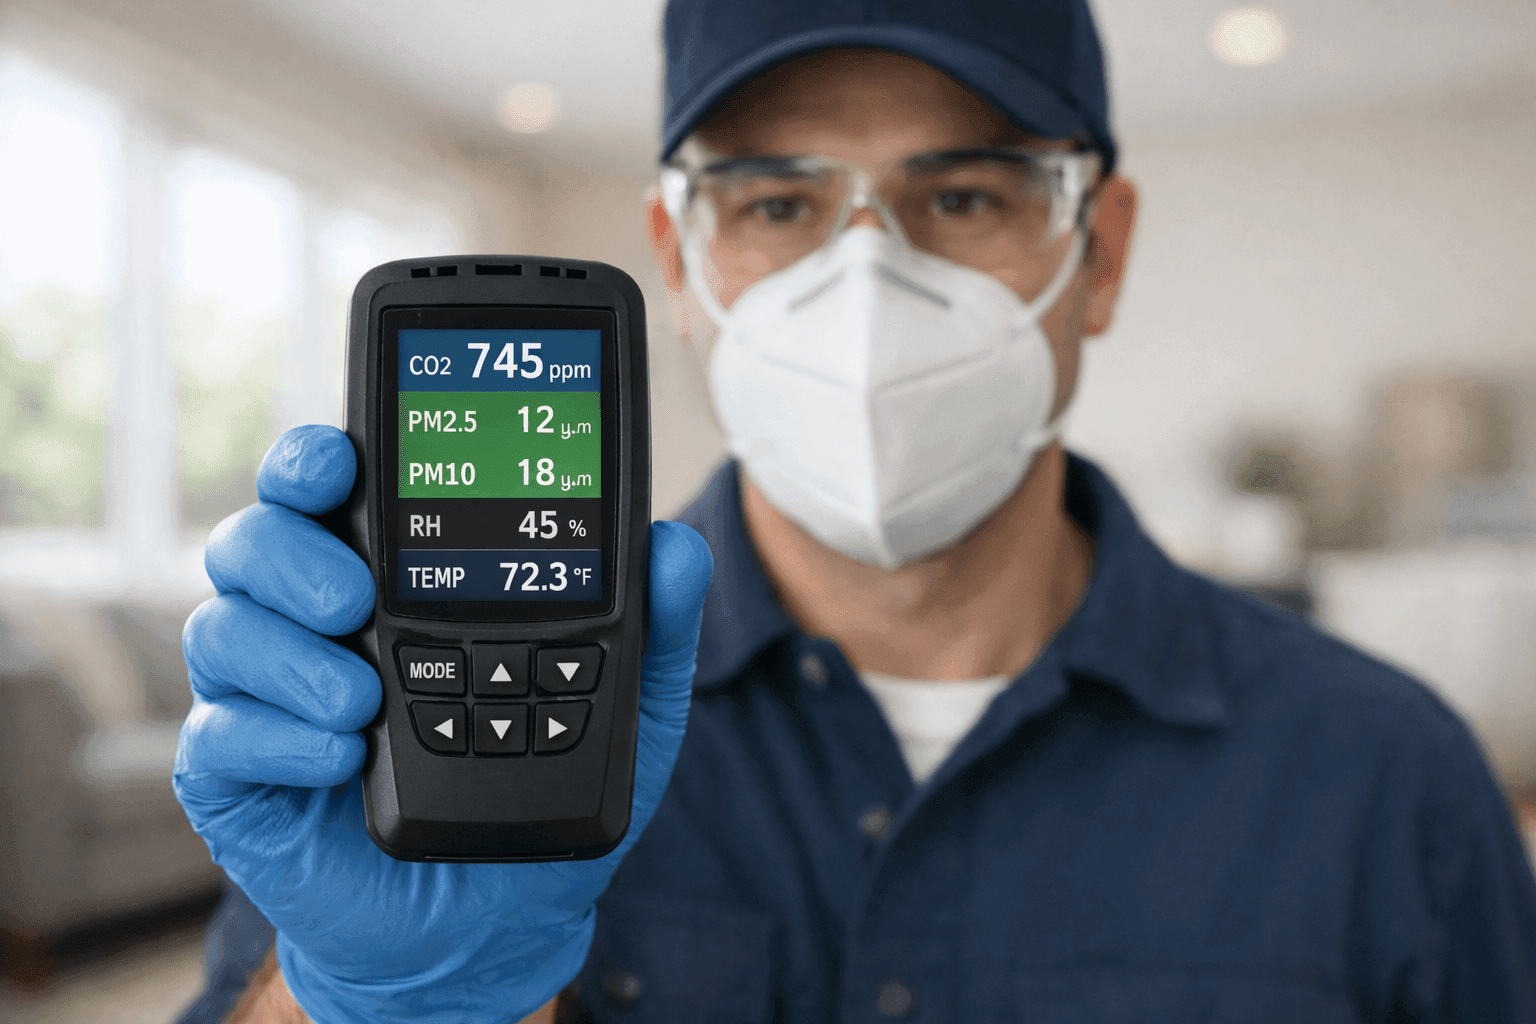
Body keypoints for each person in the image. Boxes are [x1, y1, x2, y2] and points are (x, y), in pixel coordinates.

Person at [174, 1, 1536, 1021]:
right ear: (686, 261)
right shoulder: (404, 729)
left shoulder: (1385, 773)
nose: (865, 278)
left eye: (961, 192)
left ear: (1098, 252)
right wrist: (387, 1006)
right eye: (777, 200)